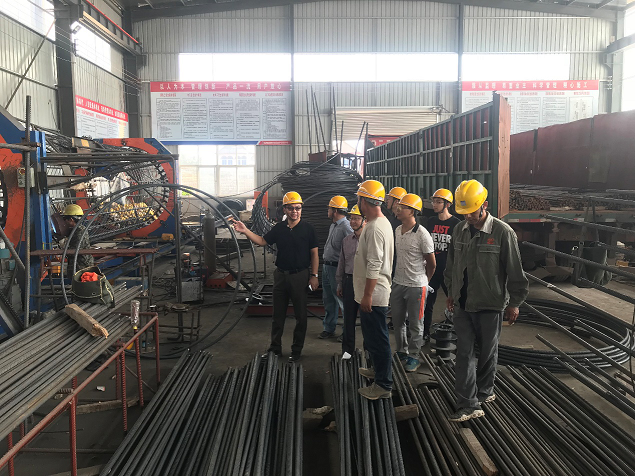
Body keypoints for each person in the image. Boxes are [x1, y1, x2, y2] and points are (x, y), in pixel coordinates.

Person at [445, 180, 529, 422]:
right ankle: (469, 404)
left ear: (485, 205)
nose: (468, 216)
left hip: (490, 304)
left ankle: (485, 391)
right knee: (464, 353)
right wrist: (451, 292)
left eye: (472, 211)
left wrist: (515, 303)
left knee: (487, 352)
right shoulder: (459, 230)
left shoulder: (503, 233)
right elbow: (452, 265)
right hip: (463, 304)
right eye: (464, 212)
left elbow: (515, 271)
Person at [232, 191, 319, 362]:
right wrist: (245, 230)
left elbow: (314, 254)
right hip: (280, 276)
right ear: (285, 209)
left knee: (301, 316)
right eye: (291, 208)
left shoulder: (308, 229)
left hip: (299, 276)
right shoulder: (279, 228)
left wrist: (314, 275)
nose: (295, 211)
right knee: (277, 315)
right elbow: (262, 241)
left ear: (301, 209)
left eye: (298, 208)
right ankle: (275, 349)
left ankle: (296, 350)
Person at [354, 180, 395, 400]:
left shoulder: (375, 228)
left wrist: (367, 295)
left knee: (379, 340)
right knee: (373, 339)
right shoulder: (379, 223)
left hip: (375, 295)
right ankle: (377, 371)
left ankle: (383, 385)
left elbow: (374, 264)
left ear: (363, 201)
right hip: (371, 293)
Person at [391, 193, 436, 373]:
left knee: (416, 324)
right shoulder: (397, 230)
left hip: (416, 286)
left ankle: (414, 356)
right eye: (398, 206)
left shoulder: (422, 234)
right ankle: (402, 351)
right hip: (398, 283)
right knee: (398, 321)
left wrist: (425, 281)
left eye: (402, 207)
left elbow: (432, 263)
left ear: (412, 211)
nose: (398, 209)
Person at [423, 189, 461, 341]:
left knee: (455, 303)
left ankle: (459, 334)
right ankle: (425, 333)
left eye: (439, 202)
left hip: (448, 271)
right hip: (432, 269)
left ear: (448, 204)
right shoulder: (431, 221)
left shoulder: (456, 224)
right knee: (427, 302)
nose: (435, 205)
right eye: (434, 201)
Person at [319, 196, 353, 339]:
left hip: (336, 269)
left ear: (335, 210)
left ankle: (347, 333)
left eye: (329, 208)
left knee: (342, 301)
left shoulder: (346, 227)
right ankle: (329, 328)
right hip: (327, 267)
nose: (327, 210)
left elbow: (352, 250)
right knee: (328, 300)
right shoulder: (333, 225)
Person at [335, 204, 365, 358]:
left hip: (365, 283)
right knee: (348, 320)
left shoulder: (369, 240)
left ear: (364, 221)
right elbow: (342, 262)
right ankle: (347, 353)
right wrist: (340, 283)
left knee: (367, 320)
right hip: (349, 281)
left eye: (357, 218)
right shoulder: (347, 240)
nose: (353, 221)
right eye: (351, 218)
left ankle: (368, 354)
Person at [62, 204, 94, 276]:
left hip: (80, 267)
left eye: (65, 219)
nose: (65, 222)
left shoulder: (78, 232)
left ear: (71, 219)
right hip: (82, 264)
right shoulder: (80, 228)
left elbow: (74, 251)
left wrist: (63, 246)